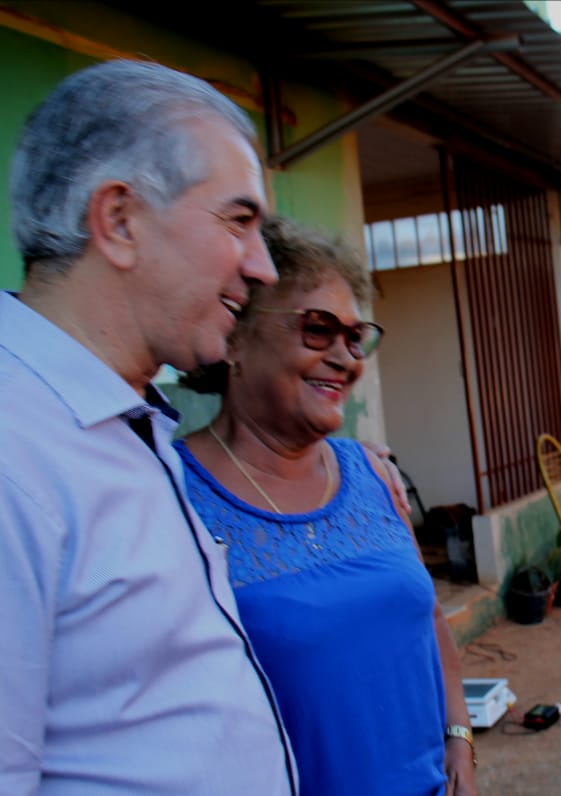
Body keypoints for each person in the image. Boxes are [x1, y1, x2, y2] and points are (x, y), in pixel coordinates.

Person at [0, 60, 296, 793]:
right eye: (239, 221)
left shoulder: (119, 419)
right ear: (120, 221)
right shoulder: (15, 448)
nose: (261, 267)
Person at [175, 214, 478, 796]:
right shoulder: (170, 497)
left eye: (355, 336)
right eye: (317, 329)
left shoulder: (371, 475)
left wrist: (459, 736)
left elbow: (428, 618)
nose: (346, 357)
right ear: (235, 336)